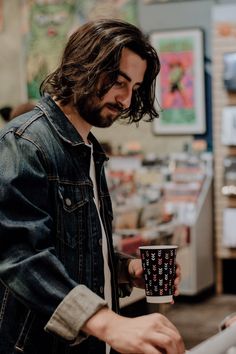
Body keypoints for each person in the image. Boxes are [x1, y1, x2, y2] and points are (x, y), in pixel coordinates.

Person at [0, 19, 185, 354]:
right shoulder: (25, 141)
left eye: (135, 88)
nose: (126, 100)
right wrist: (112, 323)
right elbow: (20, 256)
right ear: (85, 65)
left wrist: (127, 269)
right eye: (119, 82)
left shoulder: (87, 149)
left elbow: (76, 252)